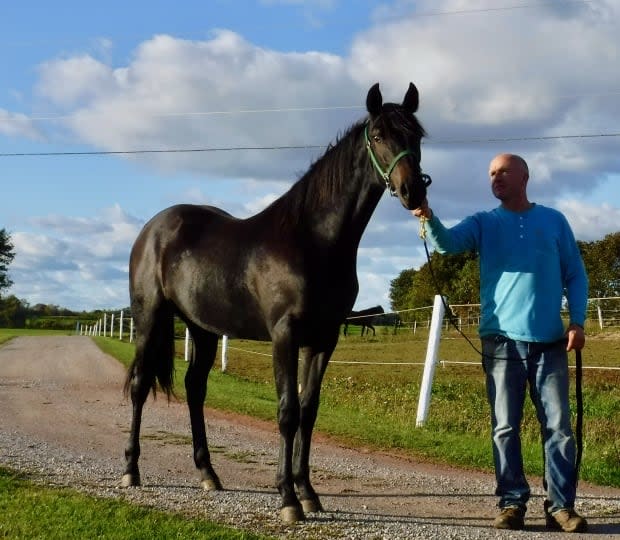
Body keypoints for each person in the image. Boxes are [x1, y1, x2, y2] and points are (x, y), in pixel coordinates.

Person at [412, 153, 588, 533]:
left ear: (525, 176)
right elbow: (447, 243)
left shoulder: (554, 220)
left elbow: (575, 274)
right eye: (491, 172)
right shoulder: (484, 222)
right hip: (501, 343)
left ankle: (561, 507)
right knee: (505, 427)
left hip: (551, 343)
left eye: (503, 171)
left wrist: (576, 321)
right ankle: (512, 504)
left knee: (558, 427)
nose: (496, 177)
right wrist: (427, 216)